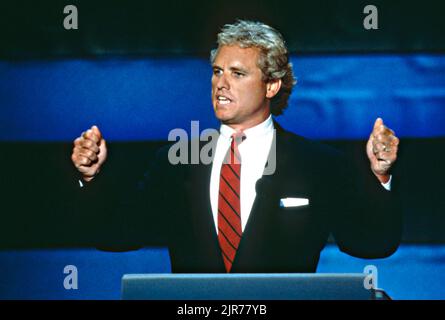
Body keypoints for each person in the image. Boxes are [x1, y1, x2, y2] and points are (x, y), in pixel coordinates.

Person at [71, 20, 402, 273]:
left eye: (237, 73)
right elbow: (117, 235)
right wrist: (91, 177)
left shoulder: (317, 163)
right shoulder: (177, 160)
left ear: (271, 85)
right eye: (217, 72)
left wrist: (381, 175)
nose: (221, 84)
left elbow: (370, 244)